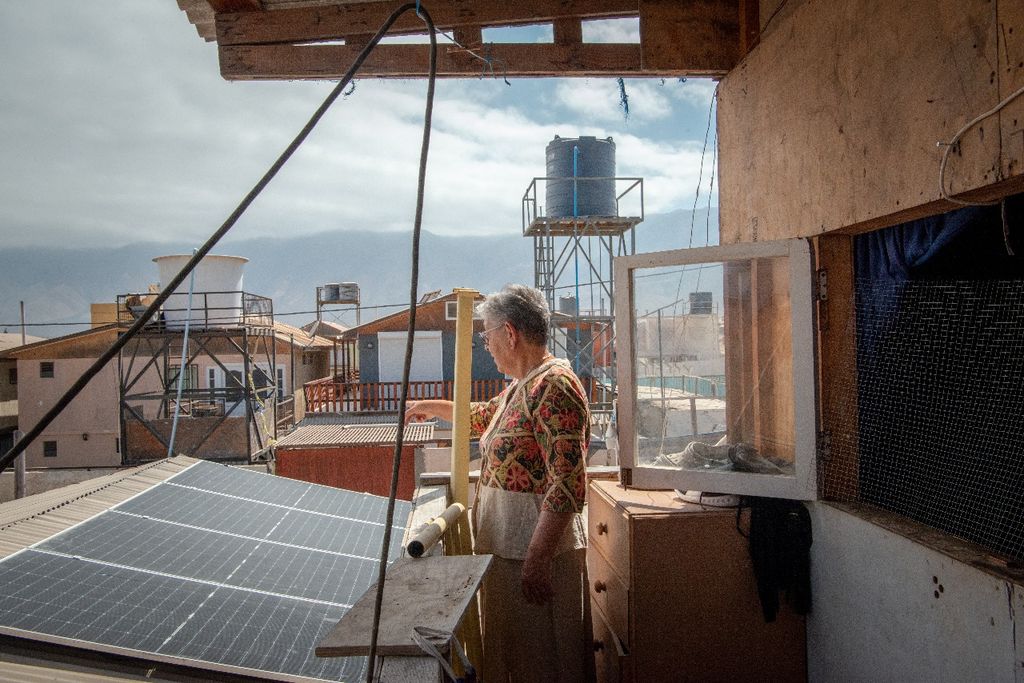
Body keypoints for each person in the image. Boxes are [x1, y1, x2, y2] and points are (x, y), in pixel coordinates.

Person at [405, 284, 592, 683]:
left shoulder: (554, 386)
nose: (485, 344)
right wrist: (426, 407)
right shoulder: (521, 387)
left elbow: (567, 483)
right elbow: (478, 418)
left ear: (509, 333)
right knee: (518, 662)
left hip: (535, 557)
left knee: (546, 662)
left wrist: (537, 558)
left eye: (486, 334)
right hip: (509, 551)